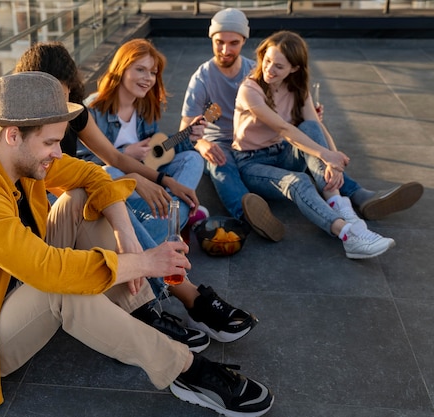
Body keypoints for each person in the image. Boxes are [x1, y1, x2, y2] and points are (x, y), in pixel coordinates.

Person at [0, 71, 274, 416]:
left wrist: (127, 240)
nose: (57, 151)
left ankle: (143, 314)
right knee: (61, 289)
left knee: (80, 199)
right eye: (51, 142)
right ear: (12, 134)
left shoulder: (11, 158)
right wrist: (145, 264)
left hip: (8, 285)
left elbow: (91, 173)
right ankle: (187, 370)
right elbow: (48, 272)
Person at [13, 42, 258, 350]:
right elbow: (95, 171)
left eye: (63, 98)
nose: (58, 110)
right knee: (99, 198)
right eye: (140, 69)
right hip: (48, 232)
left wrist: (158, 178)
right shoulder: (18, 136)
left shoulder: (75, 112)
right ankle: (182, 291)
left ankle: (153, 294)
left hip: (89, 207)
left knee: (119, 197)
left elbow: (114, 159)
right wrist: (130, 181)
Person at [180, 8, 423, 242]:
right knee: (221, 165)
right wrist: (201, 143)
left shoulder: (260, 69)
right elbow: (185, 126)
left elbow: (285, 118)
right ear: (211, 39)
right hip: (225, 142)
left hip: (268, 140)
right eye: (219, 41)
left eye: (233, 42)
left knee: (311, 134)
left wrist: (303, 116)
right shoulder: (202, 78)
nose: (225, 49)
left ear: (244, 41)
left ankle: (359, 197)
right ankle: (250, 214)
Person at [231, 30, 396, 259]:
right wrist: (325, 156)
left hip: (283, 153)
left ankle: (338, 204)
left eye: (279, 66)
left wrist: (333, 159)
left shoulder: (297, 89)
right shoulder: (250, 89)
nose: (269, 70)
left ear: (294, 69)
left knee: (310, 127)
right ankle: (348, 235)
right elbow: (284, 129)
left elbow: (316, 126)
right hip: (252, 163)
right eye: (267, 61)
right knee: (299, 181)